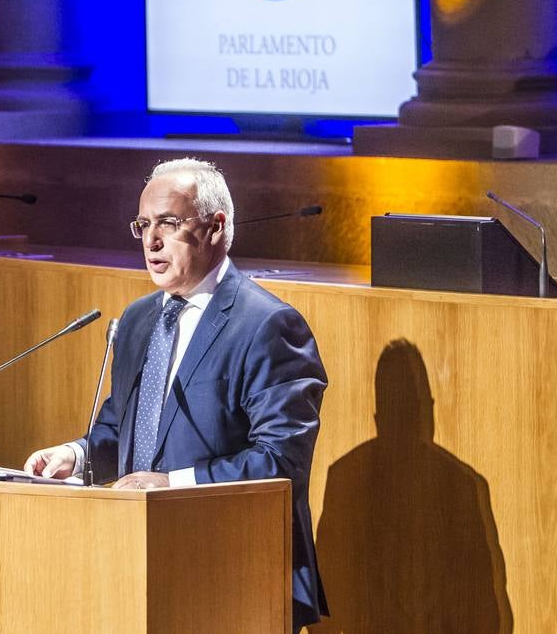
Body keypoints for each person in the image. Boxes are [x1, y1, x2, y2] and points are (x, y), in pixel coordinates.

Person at [24, 157, 330, 630]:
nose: (151, 241)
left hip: (233, 569)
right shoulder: (138, 319)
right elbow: (120, 430)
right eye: (143, 225)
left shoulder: (268, 325)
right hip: (135, 562)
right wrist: (76, 456)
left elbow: (281, 462)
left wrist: (173, 485)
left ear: (215, 227)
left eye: (168, 222)